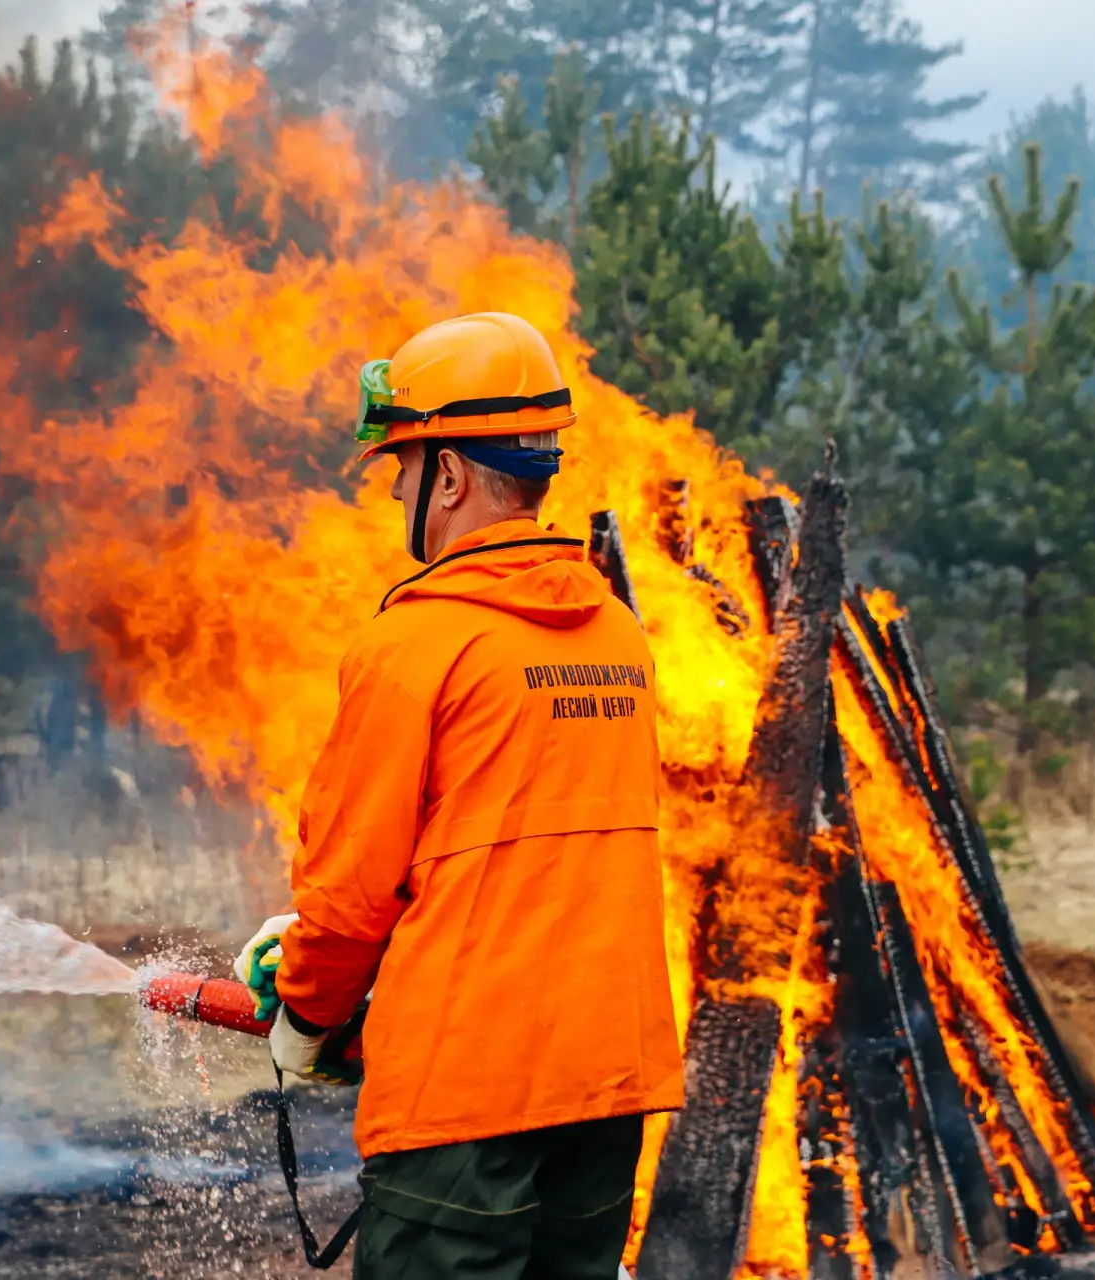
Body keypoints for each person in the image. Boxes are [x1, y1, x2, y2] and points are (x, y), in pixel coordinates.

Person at [236, 312, 683, 1278]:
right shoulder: (615, 636)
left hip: (465, 1103)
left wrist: (308, 1019)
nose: (396, 486)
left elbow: (354, 891)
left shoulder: (412, 648)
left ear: (448, 474)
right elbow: (521, 856)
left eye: (401, 464)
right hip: (605, 1090)